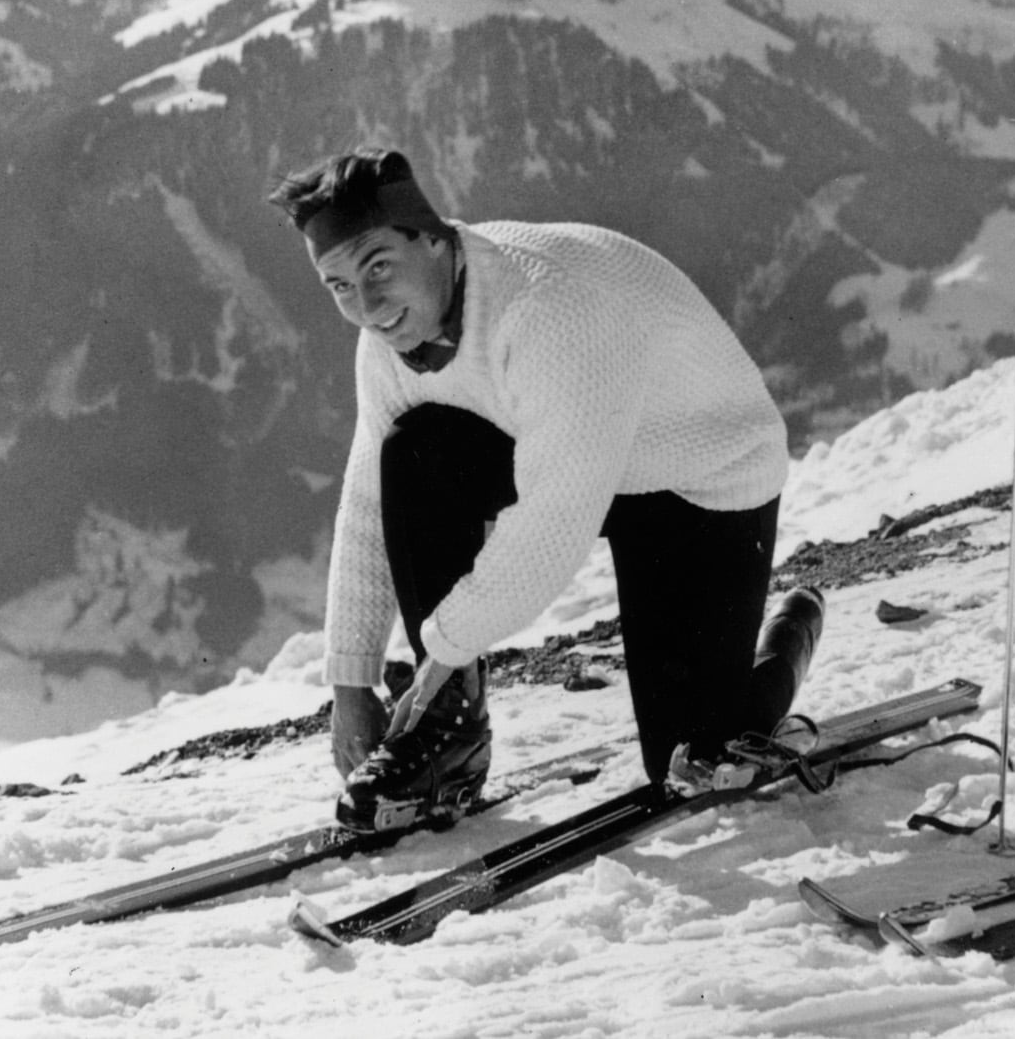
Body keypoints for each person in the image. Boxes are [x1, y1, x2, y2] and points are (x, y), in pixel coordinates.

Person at [267, 148, 817, 831]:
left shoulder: (544, 308)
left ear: (433, 237)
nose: (368, 305)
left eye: (379, 266)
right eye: (340, 285)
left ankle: (789, 634)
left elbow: (552, 529)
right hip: (581, 453)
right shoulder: (391, 336)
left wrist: (443, 646)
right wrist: (350, 680)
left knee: (692, 757)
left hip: (700, 470)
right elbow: (372, 496)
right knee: (412, 449)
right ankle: (450, 732)